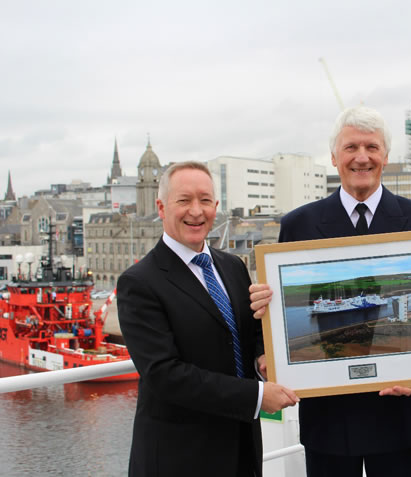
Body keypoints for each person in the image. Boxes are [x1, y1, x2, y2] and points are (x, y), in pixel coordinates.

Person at [250, 106, 411, 477]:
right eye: (351, 146)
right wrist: (265, 342)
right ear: (334, 156)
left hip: (401, 417)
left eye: (372, 147)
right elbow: (275, 312)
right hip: (328, 420)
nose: (362, 157)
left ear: (386, 156)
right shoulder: (298, 224)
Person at [117, 161, 299, 477]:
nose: (196, 211)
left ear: (216, 207)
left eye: (205, 200)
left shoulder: (233, 267)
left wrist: (263, 356)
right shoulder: (139, 282)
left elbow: (248, 333)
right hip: (181, 456)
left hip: (242, 447)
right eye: (184, 200)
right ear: (161, 207)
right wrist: (256, 396)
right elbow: (164, 374)